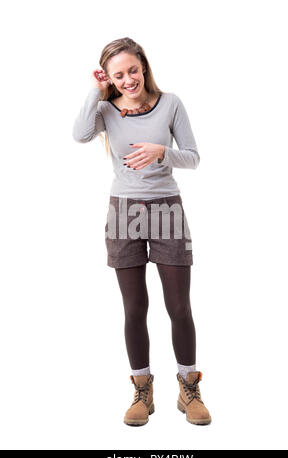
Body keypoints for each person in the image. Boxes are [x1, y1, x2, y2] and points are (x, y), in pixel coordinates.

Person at [72, 37, 211, 426]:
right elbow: (80, 134)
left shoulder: (171, 103)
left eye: (133, 70)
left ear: (144, 67)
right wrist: (96, 92)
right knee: (134, 308)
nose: (128, 80)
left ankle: (189, 386)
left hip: (167, 208)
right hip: (123, 212)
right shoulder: (105, 108)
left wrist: (161, 151)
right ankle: (142, 390)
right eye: (118, 75)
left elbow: (195, 158)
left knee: (178, 306)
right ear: (110, 79)